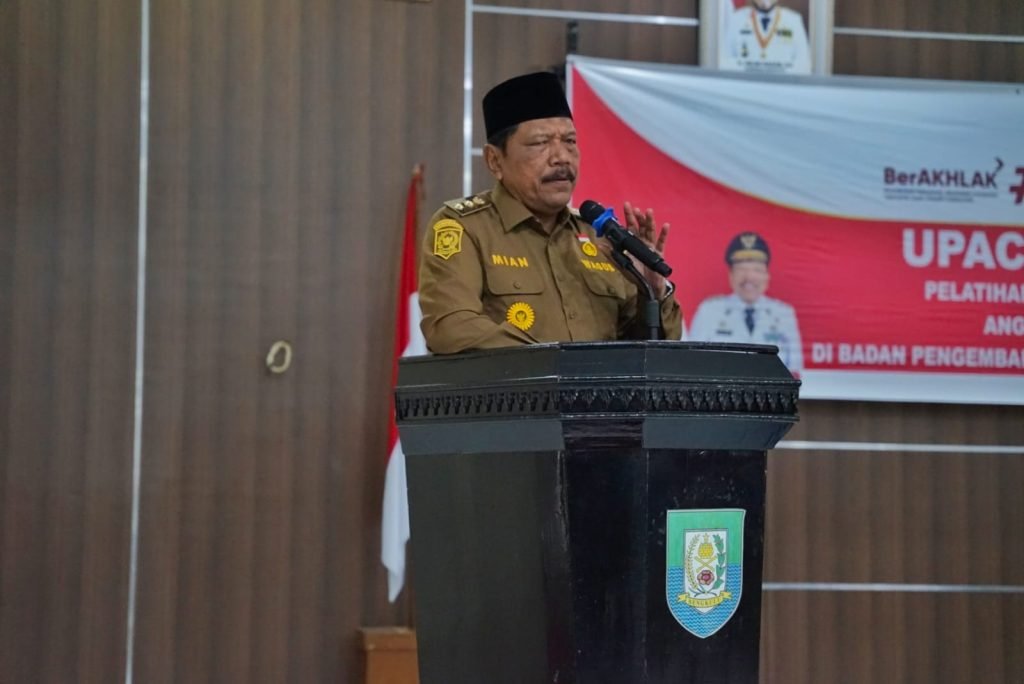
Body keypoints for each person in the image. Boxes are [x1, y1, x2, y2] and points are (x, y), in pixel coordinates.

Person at [418, 72, 683, 354]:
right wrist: (556, 364)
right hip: (516, 385)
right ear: (494, 161)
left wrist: (652, 293)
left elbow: (651, 353)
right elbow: (451, 328)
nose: (561, 157)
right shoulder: (466, 228)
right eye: (540, 143)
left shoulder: (599, 237)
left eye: (570, 141)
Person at [688, 232, 803, 374]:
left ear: (767, 275)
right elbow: (693, 364)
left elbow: (795, 372)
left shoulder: (784, 314)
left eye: (757, 270)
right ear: (731, 275)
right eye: (741, 269)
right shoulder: (709, 311)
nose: (749, 277)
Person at [721, 0, 811, 75]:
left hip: (782, 86)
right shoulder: (736, 19)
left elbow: (803, 65)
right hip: (746, 85)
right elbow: (726, 61)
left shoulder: (793, 20)